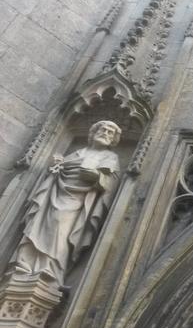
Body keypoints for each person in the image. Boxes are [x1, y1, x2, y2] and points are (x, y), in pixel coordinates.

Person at [10, 121, 122, 286]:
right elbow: (61, 169)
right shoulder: (77, 153)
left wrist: (96, 177)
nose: (105, 133)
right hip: (55, 195)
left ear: (113, 139)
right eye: (102, 129)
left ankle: (50, 270)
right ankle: (25, 264)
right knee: (38, 225)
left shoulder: (110, 157)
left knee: (60, 228)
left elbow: (110, 183)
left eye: (110, 132)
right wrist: (57, 165)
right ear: (93, 133)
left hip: (78, 202)